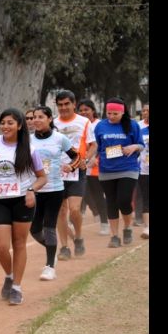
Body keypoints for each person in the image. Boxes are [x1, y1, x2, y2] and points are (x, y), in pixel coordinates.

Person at [0, 109, 47, 304]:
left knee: (19, 243)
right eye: (3, 122)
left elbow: (42, 177)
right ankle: (9, 274)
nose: (6, 126)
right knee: (1, 246)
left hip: (23, 200)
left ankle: (16, 287)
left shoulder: (29, 149)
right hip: (1, 200)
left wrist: (32, 190)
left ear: (20, 126)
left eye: (10, 123)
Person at [87, 98, 145, 247]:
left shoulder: (132, 125)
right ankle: (114, 236)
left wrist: (133, 147)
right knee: (111, 202)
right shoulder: (100, 126)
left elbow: (141, 144)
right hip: (106, 169)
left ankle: (127, 228)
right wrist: (93, 157)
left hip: (128, 168)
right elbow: (97, 147)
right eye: (109, 113)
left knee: (124, 200)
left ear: (122, 112)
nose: (111, 116)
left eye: (115, 114)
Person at [29, 106, 78, 281]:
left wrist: (71, 166)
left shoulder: (60, 138)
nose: (36, 120)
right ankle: (53, 250)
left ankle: (50, 266)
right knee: (34, 230)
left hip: (55, 189)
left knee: (49, 226)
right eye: (34, 117)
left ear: (50, 119)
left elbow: (77, 156)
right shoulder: (28, 140)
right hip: (34, 190)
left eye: (40, 117)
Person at [54, 90, 94, 260]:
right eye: (60, 105)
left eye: (66, 104)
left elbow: (93, 145)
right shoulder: (52, 123)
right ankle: (64, 247)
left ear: (73, 104)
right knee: (60, 211)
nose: (63, 108)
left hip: (77, 169)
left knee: (75, 210)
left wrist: (85, 158)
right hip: (56, 172)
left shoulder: (84, 122)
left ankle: (78, 236)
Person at [77, 99, 110, 235]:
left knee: (97, 195)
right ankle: (95, 214)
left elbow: (105, 145)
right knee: (83, 194)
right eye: (81, 110)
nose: (84, 112)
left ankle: (104, 223)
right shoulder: (78, 124)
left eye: (87, 109)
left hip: (97, 166)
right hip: (80, 165)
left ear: (93, 111)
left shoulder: (100, 125)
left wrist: (96, 159)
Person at [137, 103, 149, 238]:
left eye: (148, 110)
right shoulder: (138, 126)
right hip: (143, 169)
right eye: (144, 110)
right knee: (146, 197)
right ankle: (147, 227)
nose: (145, 112)